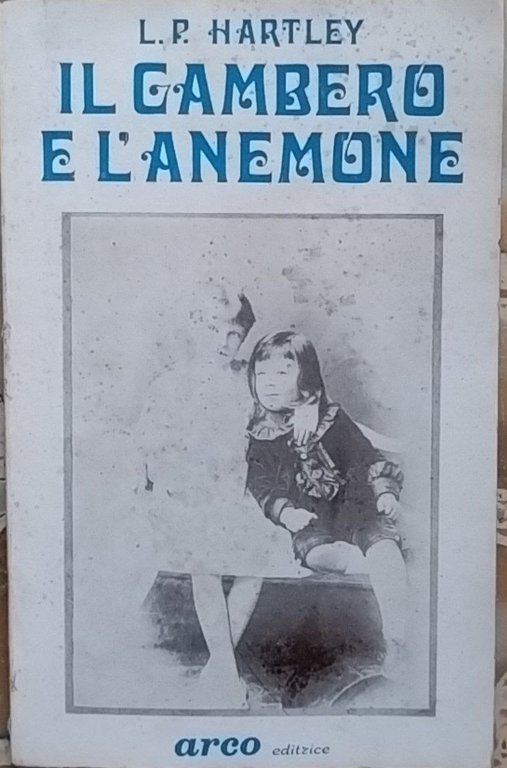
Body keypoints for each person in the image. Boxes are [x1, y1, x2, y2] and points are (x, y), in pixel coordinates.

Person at [245, 331, 407, 678]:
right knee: (318, 554)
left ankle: (397, 640)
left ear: (306, 381)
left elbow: (366, 457)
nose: (269, 383)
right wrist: (287, 512)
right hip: (310, 518)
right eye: (262, 374)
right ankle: (364, 562)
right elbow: (261, 484)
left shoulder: (331, 418)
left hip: (355, 506)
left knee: (381, 543)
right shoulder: (260, 434)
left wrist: (385, 492)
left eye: (282, 373)